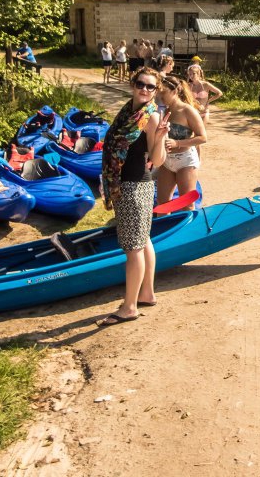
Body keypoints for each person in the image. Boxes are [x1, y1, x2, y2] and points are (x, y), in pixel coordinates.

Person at [97, 67, 169, 326]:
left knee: (133, 248)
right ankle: (146, 293)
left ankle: (129, 307)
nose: (145, 90)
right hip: (128, 185)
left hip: (134, 188)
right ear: (133, 84)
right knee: (143, 240)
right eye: (141, 84)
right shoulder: (129, 110)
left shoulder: (150, 117)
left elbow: (158, 160)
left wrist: (160, 138)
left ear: (156, 90)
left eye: (151, 87)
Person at [155, 76, 206, 211]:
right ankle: (166, 230)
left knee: (187, 204)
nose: (160, 96)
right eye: (158, 93)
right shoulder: (165, 110)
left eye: (163, 92)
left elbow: (202, 138)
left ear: (175, 91)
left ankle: (190, 231)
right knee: (162, 204)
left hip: (186, 161)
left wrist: (177, 143)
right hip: (167, 161)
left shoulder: (187, 110)